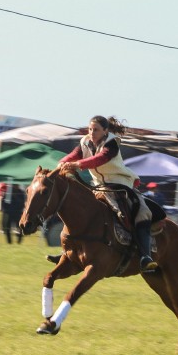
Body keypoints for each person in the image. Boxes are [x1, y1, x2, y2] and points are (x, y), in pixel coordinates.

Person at [57, 115, 157, 272]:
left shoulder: (112, 144)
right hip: (98, 187)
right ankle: (69, 251)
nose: (92, 132)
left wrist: (77, 164)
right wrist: (61, 163)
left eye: (96, 130)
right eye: (90, 129)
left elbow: (100, 159)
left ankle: (145, 256)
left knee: (142, 213)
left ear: (105, 131)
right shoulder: (85, 142)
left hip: (121, 185)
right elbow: (73, 155)